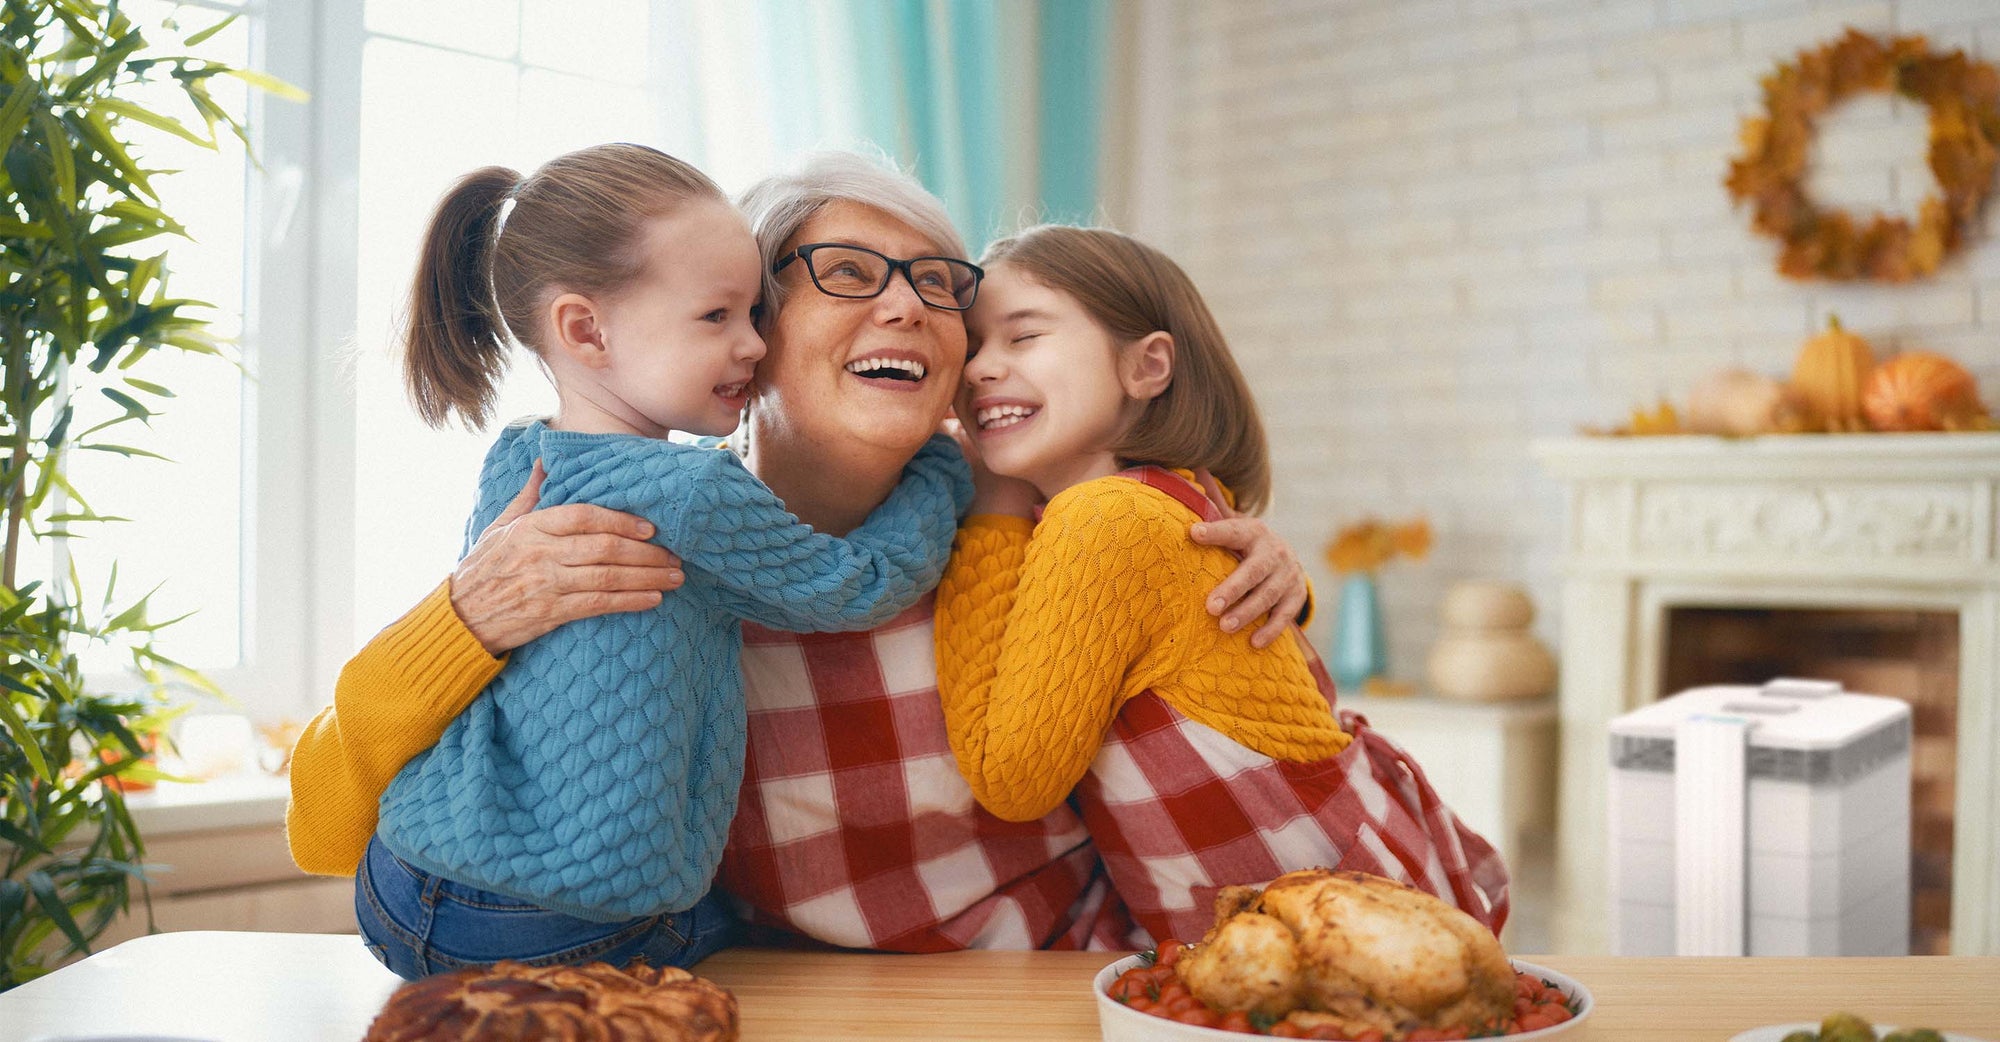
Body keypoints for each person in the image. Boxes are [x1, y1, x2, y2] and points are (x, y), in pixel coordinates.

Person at [288, 152, 1316, 955]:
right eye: (849, 273)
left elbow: (1255, 762)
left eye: (937, 283)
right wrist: (459, 621)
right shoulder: (592, 536)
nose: (907, 304)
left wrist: (1266, 582)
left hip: (1032, 996)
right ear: (749, 331)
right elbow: (331, 824)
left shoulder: (1038, 532)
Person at [343, 143, 971, 980]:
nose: (751, 344)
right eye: (719, 318)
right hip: (554, 930)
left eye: (754, 314)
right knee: (736, 941)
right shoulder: (693, 495)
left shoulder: (517, 457)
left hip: (398, 883)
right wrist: (942, 470)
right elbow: (858, 587)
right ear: (585, 329)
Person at [935, 225, 1510, 945]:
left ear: (1147, 367)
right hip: (1369, 898)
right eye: (974, 346)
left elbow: (1009, 778)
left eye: (1022, 338)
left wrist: (991, 507)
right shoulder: (1172, 494)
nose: (982, 369)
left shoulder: (1103, 517)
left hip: (1335, 939)